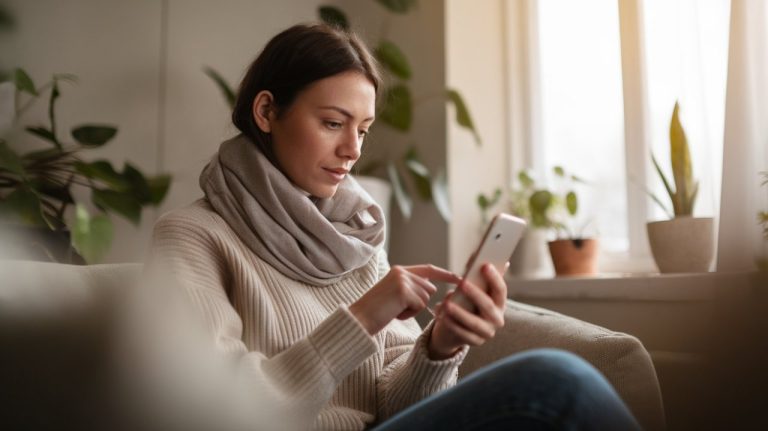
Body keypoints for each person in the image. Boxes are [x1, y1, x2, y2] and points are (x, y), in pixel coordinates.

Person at [150, 23, 641, 430]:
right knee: (557, 380)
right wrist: (364, 316)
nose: (354, 150)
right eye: (332, 123)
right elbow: (215, 411)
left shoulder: (354, 235)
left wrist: (440, 345)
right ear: (266, 111)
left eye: (362, 130)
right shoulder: (192, 237)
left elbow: (398, 406)